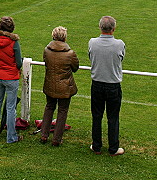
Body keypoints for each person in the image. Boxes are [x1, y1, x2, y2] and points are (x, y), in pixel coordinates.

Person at [88, 16, 126, 156]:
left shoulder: (93, 43)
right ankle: (113, 148)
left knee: (97, 116)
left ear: (100, 28)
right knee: (113, 117)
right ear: (113, 29)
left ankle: (97, 146)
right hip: (112, 86)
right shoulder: (119, 44)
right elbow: (121, 58)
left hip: (98, 84)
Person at [39, 26, 79, 147]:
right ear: (65, 37)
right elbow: (75, 68)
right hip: (64, 87)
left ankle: (44, 135)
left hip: (50, 84)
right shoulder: (70, 53)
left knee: (49, 107)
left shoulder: (47, 50)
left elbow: (46, 62)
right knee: (62, 111)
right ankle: (56, 139)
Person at [0, 16, 23, 144]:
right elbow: (19, 62)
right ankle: (11, 136)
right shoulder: (14, 42)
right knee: (10, 107)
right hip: (11, 77)